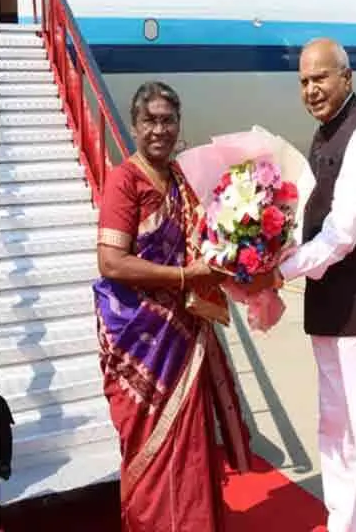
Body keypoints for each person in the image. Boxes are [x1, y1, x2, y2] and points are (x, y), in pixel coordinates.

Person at [242, 39, 356, 532]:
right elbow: (311, 222)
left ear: (346, 78)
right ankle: (344, 523)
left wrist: (279, 272)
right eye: (303, 82)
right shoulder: (325, 135)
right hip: (330, 309)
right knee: (335, 428)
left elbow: (342, 233)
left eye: (320, 79)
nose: (311, 90)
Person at [93, 80, 252, 532]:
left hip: (184, 334)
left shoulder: (183, 179)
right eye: (150, 121)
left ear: (178, 124)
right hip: (142, 340)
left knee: (192, 448)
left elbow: (208, 239)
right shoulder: (125, 181)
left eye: (168, 120)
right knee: (151, 448)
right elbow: (110, 261)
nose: (159, 130)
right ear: (135, 125)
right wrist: (185, 277)